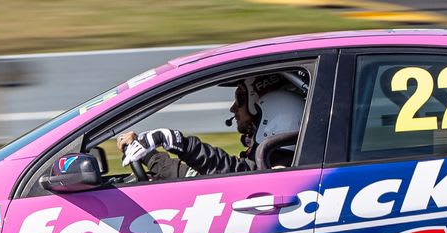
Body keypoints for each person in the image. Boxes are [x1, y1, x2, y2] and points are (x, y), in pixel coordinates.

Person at [119, 70, 308, 179]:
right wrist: (151, 157)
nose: (233, 108)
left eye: (239, 100)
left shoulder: (279, 170)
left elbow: (229, 173)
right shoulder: (268, 161)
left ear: (272, 118)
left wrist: (175, 142)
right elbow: (199, 176)